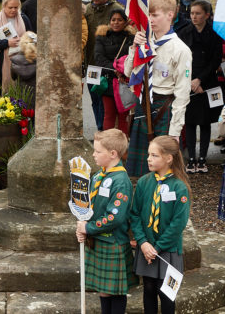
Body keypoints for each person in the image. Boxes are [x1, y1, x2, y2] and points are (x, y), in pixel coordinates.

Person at [124, 0, 191, 178]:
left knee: (165, 170)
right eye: (149, 15)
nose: (150, 20)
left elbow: (183, 93)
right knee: (140, 171)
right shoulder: (145, 41)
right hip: (143, 103)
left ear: (170, 15)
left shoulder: (181, 50)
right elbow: (128, 73)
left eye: (155, 15)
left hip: (165, 107)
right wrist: (135, 48)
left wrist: (175, 130)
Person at [75, 129, 138, 314]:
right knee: (103, 290)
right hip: (97, 241)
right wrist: (81, 223)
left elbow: (115, 217)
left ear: (113, 154)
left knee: (115, 291)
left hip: (113, 242)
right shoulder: (98, 176)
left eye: (97, 151)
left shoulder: (121, 181)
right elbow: (89, 205)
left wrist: (89, 228)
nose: (93, 154)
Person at [130, 135, 191, 314]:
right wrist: (143, 243)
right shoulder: (143, 183)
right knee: (148, 289)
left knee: (166, 293)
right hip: (146, 247)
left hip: (168, 250)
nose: (148, 158)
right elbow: (135, 214)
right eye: (149, 154)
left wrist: (156, 247)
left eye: (154, 155)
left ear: (168, 158)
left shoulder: (179, 187)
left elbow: (178, 223)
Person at [177, 0, 223, 174]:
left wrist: (200, 81)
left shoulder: (214, 34)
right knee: (189, 121)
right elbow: (180, 59)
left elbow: (215, 60)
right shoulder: (184, 33)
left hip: (207, 82)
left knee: (205, 121)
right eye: (192, 13)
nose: (194, 17)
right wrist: (190, 80)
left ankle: (202, 157)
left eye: (198, 13)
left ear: (207, 15)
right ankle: (191, 158)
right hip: (188, 81)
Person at [84, 0, 124, 131]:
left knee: (106, 100)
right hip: (93, 65)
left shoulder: (116, 8)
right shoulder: (88, 9)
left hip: (109, 67)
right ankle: (100, 128)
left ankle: (109, 130)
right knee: (95, 97)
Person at [94, 8, 135, 136]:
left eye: (119, 20)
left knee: (123, 115)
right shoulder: (102, 37)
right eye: (113, 20)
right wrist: (116, 71)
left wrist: (123, 72)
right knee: (109, 114)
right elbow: (99, 58)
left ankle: (123, 146)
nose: (116, 23)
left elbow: (132, 57)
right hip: (108, 81)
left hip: (124, 81)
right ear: (109, 22)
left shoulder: (131, 38)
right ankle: (108, 143)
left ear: (125, 22)